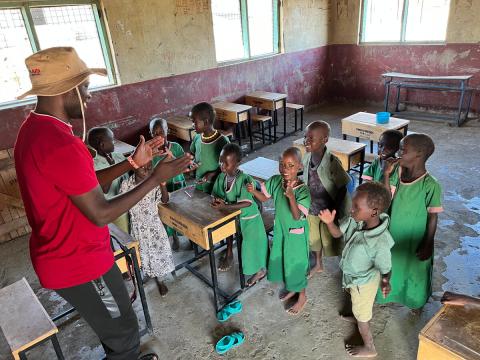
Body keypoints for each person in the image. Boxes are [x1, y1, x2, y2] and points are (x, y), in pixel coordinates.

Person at [14, 47, 194, 360]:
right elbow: (100, 213)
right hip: (77, 260)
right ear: (66, 90)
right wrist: (154, 178)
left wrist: (132, 163)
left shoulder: (34, 131)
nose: (88, 96)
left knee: (119, 315)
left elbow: (81, 186)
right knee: (123, 333)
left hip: (71, 251)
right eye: (83, 88)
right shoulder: (60, 144)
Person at [319, 181, 393, 358]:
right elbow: (337, 233)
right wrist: (329, 223)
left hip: (364, 283)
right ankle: (358, 314)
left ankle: (369, 346)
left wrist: (385, 280)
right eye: (352, 205)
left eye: (356, 207)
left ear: (374, 211)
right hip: (353, 278)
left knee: (363, 316)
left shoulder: (380, 241)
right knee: (357, 302)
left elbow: (386, 267)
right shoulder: (356, 220)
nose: (351, 210)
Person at [376, 133, 443, 310]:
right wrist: (385, 175)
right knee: (390, 266)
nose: (397, 154)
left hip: (415, 237)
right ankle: (388, 295)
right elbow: (384, 200)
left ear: (419, 154)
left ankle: (415, 302)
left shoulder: (430, 185)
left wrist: (428, 242)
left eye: (402, 150)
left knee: (413, 270)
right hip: (392, 234)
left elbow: (433, 217)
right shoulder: (395, 174)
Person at [247, 147, 310, 315]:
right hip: (281, 231)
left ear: (299, 167)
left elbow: (297, 217)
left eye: (290, 165)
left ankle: (302, 296)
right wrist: (254, 191)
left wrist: (290, 197)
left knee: (296, 265)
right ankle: (292, 288)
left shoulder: (303, 191)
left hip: (296, 235)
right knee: (284, 262)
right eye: (282, 164)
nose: (285, 169)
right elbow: (265, 197)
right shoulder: (275, 181)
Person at [211, 143, 268, 285]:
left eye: (226, 163)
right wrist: (217, 200)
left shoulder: (245, 179)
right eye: (220, 161)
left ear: (237, 164)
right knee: (245, 246)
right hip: (235, 218)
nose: (222, 166)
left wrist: (226, 206)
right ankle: (258, 269)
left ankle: (260, 271)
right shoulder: (221, 177)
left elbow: (247, 203)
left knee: (252, 247)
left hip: (250, 219)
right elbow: (217, 194)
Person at [302, 120, 350, 277]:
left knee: (334, 239)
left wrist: (337, 210)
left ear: (325, 140)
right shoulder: (306, 157)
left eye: (311, 138)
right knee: (313, 238)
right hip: (312, 207)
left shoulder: (332, 162)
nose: (306, 141)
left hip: (328, 210)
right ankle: (318, 263)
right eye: (305, 137)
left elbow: (343, 186)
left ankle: (346, 265)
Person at [120, 161, 174, 297]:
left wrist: (162, 185)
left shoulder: (154, 182)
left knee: (158, 254)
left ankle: (160, 281)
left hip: (154, 227)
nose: (147, 170)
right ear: (134, 166)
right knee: (143, 255)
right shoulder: (126, 184)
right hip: (137, 228)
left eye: (150, 167)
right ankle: (149, 274)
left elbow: (165, 200)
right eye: (143, 167)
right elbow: (122, 204)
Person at [150, 116, 186, 250]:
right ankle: (174, 237)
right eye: (154, 133)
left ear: (167, 131)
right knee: (168, 215)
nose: (158, 136)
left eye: (161, 132)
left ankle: (188, 236)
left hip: (178, 185)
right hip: (162, 189)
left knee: (182, 212)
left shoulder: (175, 147)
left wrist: (172, 156)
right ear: (150, 134)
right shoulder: (151, 153)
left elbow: (185, 166)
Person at [88, 127, 129, 233]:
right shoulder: (94, 164)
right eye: (112, 140)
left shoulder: (118, 156)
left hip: (127, 200)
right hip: (114, 207)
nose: (114, 142)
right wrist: (112, 167)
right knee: (123, 235)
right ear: (102, 145)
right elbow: (104, 189)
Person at [190, 102, 229, 194]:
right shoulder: (197, 138)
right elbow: (192, 155)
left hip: (216, 187)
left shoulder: (222, 141)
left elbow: (229, 166)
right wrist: (191, 163)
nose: (192, 125)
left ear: (206, 122)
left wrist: (212, 174)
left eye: (194, 122)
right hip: (200, 184)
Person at [361, 129, 403, 195]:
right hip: (375, 197)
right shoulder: (377, 161)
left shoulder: (399, 167)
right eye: (380, 146)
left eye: (389, 147)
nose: (382, 150)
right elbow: (367, 179)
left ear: (398, 149)